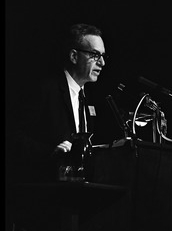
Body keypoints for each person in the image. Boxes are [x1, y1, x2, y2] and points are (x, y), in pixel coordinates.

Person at [8, 23, 107, 184]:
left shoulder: (88, 98)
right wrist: (50, 152)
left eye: (103, 56)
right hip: (42, 190)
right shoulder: (45, 89)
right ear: (74, 56)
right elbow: (13, 137)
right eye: (95, 55)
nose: (102, 63)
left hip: (77, 192)